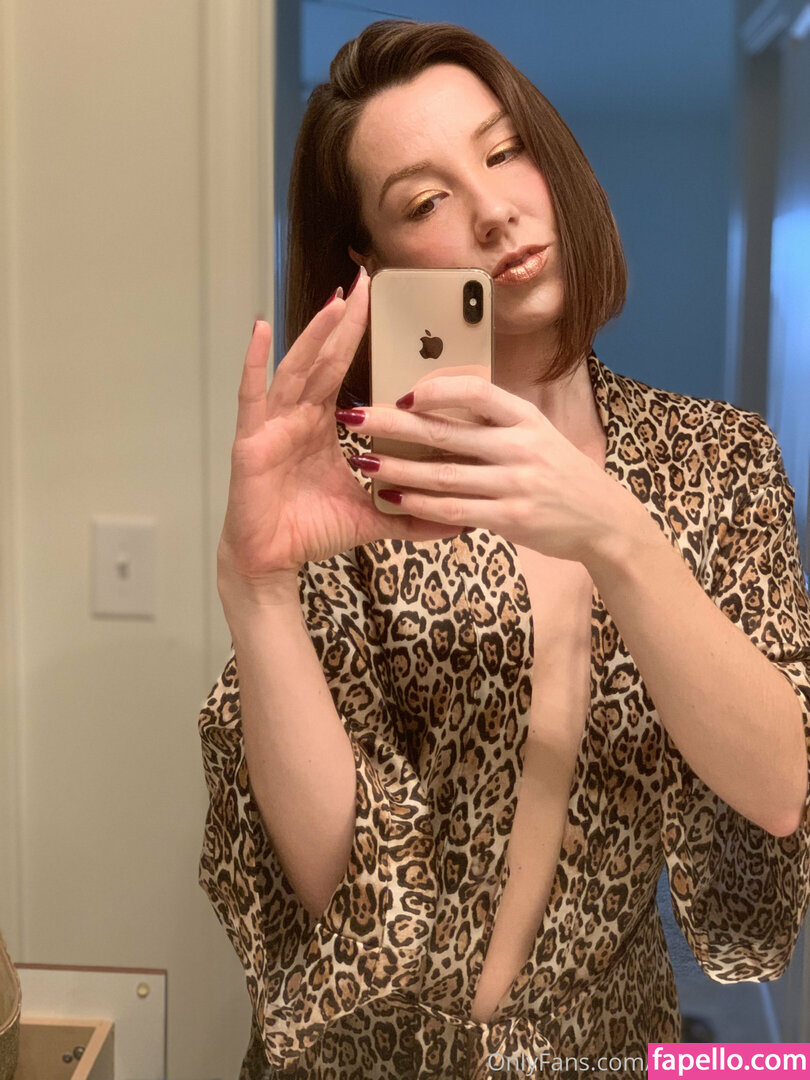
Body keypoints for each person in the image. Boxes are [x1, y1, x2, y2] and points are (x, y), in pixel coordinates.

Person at [196, 19, 810, 1080]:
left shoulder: (719, 462)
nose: (493, 211)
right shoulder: (355, 479)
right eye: (423, 201)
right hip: (367, 1058)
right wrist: (258, 590)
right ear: (372, 260)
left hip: (605, 1051)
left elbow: (778, 787)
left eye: (504, 151)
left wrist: (613, 530)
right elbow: (337, 884)